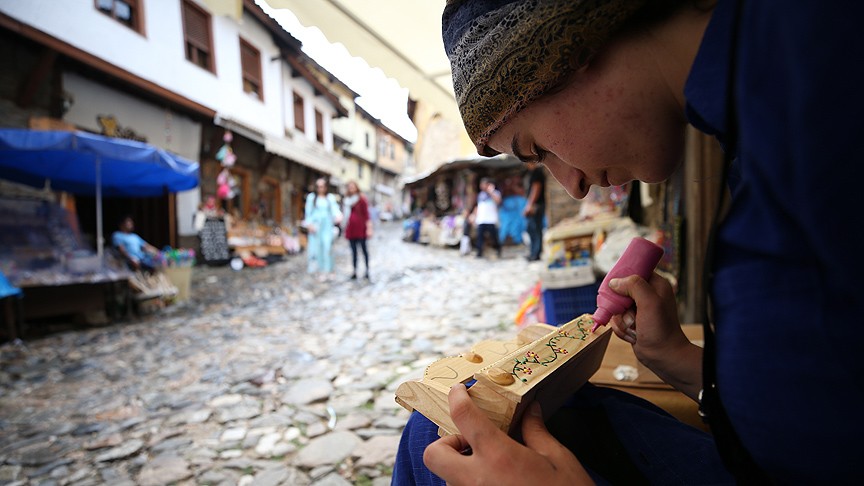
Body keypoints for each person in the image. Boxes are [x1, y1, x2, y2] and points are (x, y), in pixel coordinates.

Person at [393, 1, 863, 484]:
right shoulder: (763, 100)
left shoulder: (826, 101)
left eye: (538, 148)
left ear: (568, 46)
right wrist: (678, 359)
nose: (572, 187)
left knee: (438, 440)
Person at [304, 178, 342, 280]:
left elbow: (335, 209)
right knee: (317, 249)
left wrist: (338, 216)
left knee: (328, 247)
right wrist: (309, 224)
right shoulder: (312, 198)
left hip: (327, 226)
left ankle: (330, 269)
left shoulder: (330, 198)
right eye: (318, 186)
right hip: (316, 227)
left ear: (326, 187)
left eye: (322, 186)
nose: (320, 189)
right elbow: (308, 212)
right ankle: (320, 270)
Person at [343, 180, 372, 281]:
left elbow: (367, 214)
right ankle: (354, 270)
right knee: (353, 251)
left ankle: (367, 270)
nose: (351, 188)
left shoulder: (361, 199)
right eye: (349, 187)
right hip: (351, 229)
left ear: (356, 187)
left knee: (364, 250)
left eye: (353, 186)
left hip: (361, 229)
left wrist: (369, 228)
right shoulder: (347, 200)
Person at [472, 177, 502, 258]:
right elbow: (478, 206)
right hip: (481, 219)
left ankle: (498, 249)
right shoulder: (481, 195)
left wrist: (491, 191)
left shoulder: (495, 193)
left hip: (491, 219)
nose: (482, 186)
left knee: (494, 237)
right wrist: (474, 216)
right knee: (480, 237)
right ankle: (479, 253)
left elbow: (498, 201)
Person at [523, 161, 546, 262]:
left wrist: (529, 205)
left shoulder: (537, 172)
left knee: (535, 229)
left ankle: (536, 253)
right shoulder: (532, 173)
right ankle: (533, 252)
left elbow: (536, 188)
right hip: (534, 205)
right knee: (532, 229)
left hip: (536, 205)